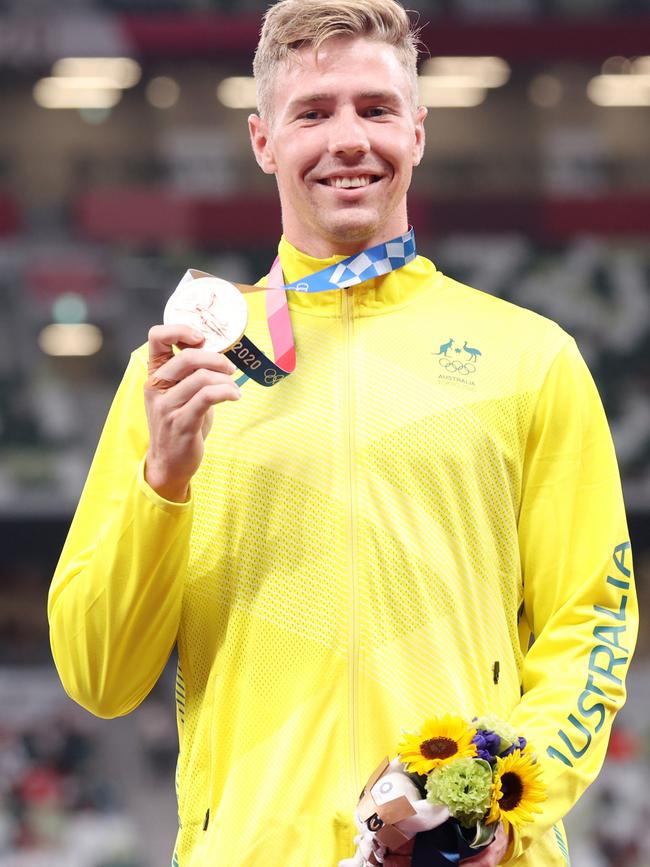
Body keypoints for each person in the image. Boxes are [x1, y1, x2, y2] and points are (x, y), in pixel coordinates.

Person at [48, 1, 638, 865]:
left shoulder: (531, 357)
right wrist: (163, 481)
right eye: (313, 113)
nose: (348, 140)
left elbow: (592, 617)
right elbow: (100, 677)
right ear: (263, 142)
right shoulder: (177, 369)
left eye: (376, 108)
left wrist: (504, 805)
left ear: (419, 131)